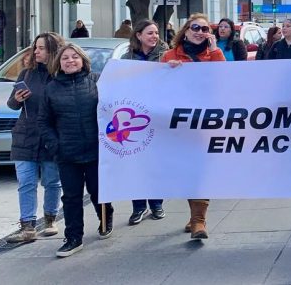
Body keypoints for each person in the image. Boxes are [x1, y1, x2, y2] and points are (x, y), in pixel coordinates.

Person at [38, 43, 113, 258]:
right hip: (67, 153)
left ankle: (106, 218)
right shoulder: (51, 88)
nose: (70, 61)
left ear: (83, 60)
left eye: (74, 57)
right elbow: (44, 122)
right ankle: (73, 237)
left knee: (98, 191)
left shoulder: (97, 81)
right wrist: (55, 145)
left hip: (96, 150)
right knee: (71, 197)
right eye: (65, 58)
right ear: (58, 63)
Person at [162, 14, 226, 239]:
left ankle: (199, 221)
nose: (200, 31)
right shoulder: (170, 56)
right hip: (180, 125)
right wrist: (168, 72)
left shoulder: (214, 55)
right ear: (186, 30)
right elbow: (158, 90)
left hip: (206, 123)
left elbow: (225, 81)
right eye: (195, 27)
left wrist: (216, 51)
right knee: (188, 171)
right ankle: (194, 216)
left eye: (205, 28)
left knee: (201, 170)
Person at [5, 32, 65, 244]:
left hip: (50, 136)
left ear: (52, 50)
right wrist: (17, 99)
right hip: (25, 135)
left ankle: (50, 219)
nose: (36, 51)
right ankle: (28, 226)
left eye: (41, 48)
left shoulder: (60, 75)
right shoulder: (26, 74)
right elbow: (12, 104)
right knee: (26, 182)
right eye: (35, 47)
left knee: (51, 181)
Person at [120, 20, 168, 225]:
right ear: (138, 35)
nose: (154, 36)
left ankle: (156, 203)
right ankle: (138, 207)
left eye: (156, 33)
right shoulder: (126, 58)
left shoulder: (166, 56)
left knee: (156, 162)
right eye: (150, 33)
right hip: (134, 118)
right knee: (137, 163)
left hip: (158, 117)